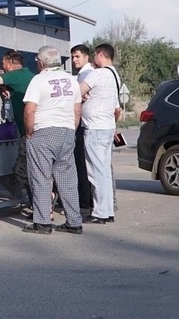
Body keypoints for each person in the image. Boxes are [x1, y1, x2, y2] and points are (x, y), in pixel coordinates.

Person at [22, 46, 83, 234]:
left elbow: (30, 109)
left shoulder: (39, 80)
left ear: (41, 62)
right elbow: (77, 110)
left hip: (44, 131)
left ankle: (42, 223)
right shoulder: (71, 80)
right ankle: (74, 222)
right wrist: (72, 129)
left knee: (40, 177)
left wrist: (29, 133)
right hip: (66, 131)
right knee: (67, 179)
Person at [0, 51, 34, 211]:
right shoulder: (28, 75)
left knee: (22, 170)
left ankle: (42, 202)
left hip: (28, 132)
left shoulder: (16, 75)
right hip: (34, 129)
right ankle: (42, 201)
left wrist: (3, 81)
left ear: (11, 63)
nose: (2, 66)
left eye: (4, 64)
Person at [80, 43, 120, 224]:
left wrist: (84, 96)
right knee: (104, 170)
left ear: (101, 54)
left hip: (94, 128)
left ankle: (99, 212)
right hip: (107, 127)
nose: (94, 59)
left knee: (96, 172)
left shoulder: (97, 74)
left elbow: (77, 91)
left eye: (96, 55)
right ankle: (107, 210)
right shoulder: (114, 75)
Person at [71, 44, 94, 210]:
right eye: (72, 56)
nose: (74, 60)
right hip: (87, 123)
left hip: (84, 123)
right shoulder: (83, 74)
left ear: (86, 57)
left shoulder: (86, 74)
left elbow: (78, 96)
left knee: (82, 164)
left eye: (77, 56)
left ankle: (84, 200)